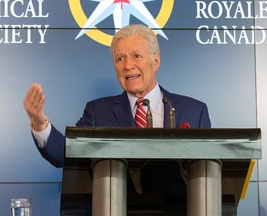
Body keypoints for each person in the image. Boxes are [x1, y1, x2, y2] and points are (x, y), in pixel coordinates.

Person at [23, 24, 211, 215]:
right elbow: (63, 153)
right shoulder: (98, 111)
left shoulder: (194, 111)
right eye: (120, 58)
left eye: (136, 56)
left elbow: (207, 176)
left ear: (156, 61)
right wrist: (39, 122)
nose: (128, 65)